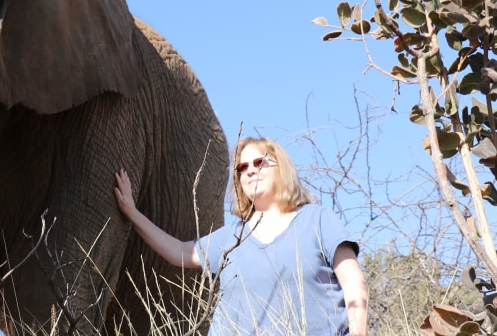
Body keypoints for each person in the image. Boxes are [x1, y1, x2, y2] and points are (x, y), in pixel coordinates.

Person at [114, 137, 368, 335]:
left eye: (260, 162)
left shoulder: (318, 219)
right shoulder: (231, 238)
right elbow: (179, 252)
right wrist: (132, 213)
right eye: (241, 167)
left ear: (282, 169)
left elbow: (353, 281)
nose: (250, 171)